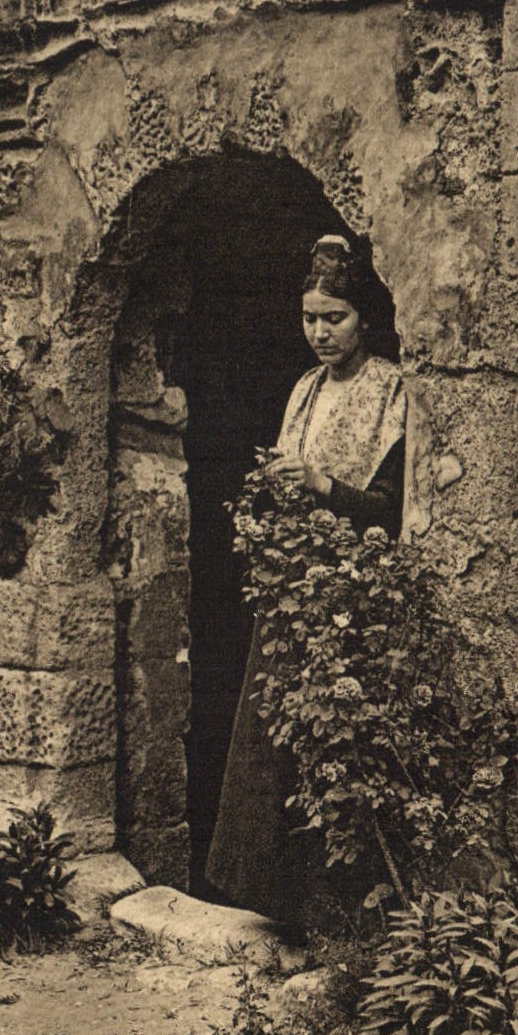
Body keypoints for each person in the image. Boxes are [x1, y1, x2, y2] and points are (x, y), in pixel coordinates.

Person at [204, 234, 407, 922]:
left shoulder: (389, 390)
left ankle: (335, 916)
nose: (320, 333)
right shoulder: (303, 388)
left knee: (333, 747)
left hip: (351, 594)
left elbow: (388, 508)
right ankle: (271, 903)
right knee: (271, 741)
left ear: (364, 318)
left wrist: (321, 484)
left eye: (335, 317)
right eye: (310, 318)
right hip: (293, 585)